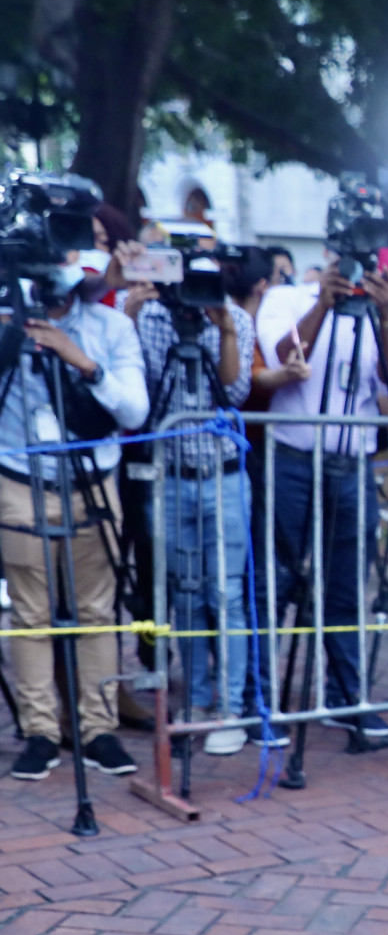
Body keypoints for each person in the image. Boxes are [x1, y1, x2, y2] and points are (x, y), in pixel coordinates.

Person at [3, 253, 149, 781]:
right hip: (19, 477)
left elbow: (134, 411)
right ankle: (41, 732)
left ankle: (98, 730)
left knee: (97, 612)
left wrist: (82, 361)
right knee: (31, 616)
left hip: (93, 479)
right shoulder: (6, 320)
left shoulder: (111, 326)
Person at [258, 257, 388, 738]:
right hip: (292, 460)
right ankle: (260, 700)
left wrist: (386, 315)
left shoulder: (376, 312)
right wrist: (323, 304)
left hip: (352, 466)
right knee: (276, 581)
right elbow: (281, 359)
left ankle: (346, 696)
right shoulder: (287, 298)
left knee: (346, 586)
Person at [118, 243, 258, 757]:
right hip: (171, 477)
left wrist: (223, 330)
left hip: (223, 476)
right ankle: (196, 701)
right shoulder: (151, 317)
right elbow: (141, 393)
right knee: (186, 595)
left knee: (227, 595)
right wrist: (129, 318)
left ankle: (231, 708)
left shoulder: (236, 318)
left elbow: (234, 392)